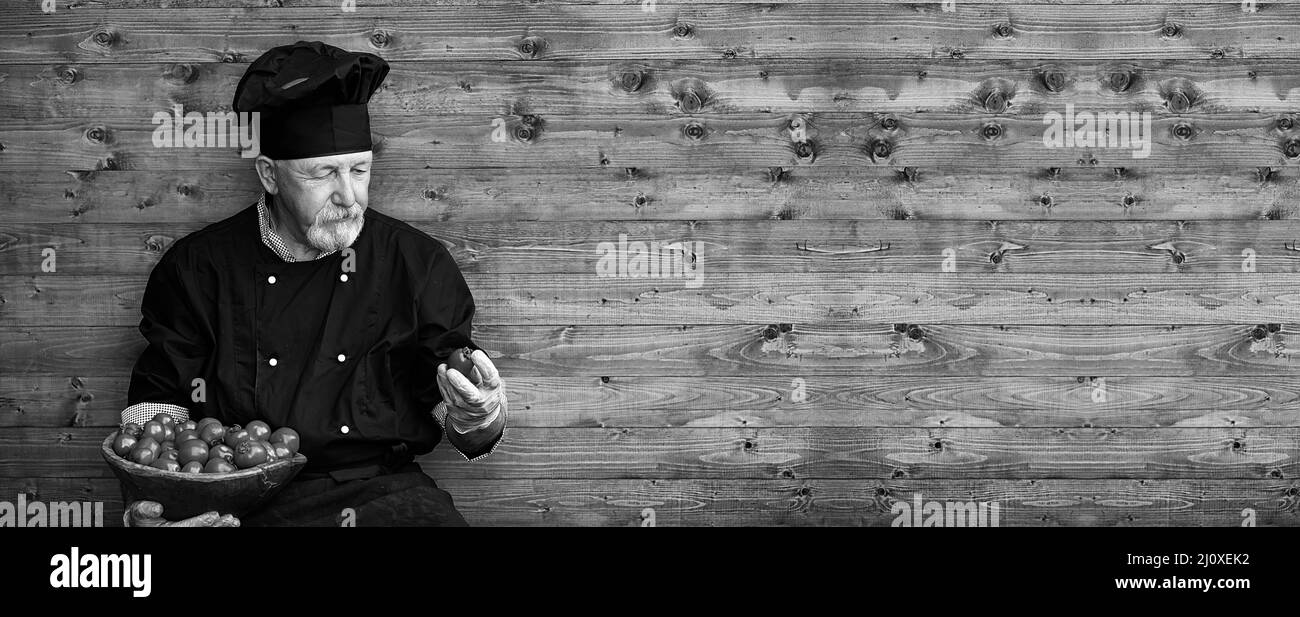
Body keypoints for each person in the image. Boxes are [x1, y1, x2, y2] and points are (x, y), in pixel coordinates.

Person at [118, 41, 506, 527]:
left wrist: (480, 417)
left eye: (360, 170)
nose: (348, 196)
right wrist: (158, 499)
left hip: (379, 492)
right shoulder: (198, 268)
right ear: (270, 176)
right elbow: (158, 409)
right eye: (324, 174)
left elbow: (453, 415)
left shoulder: (415, 262)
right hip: (237, 492)